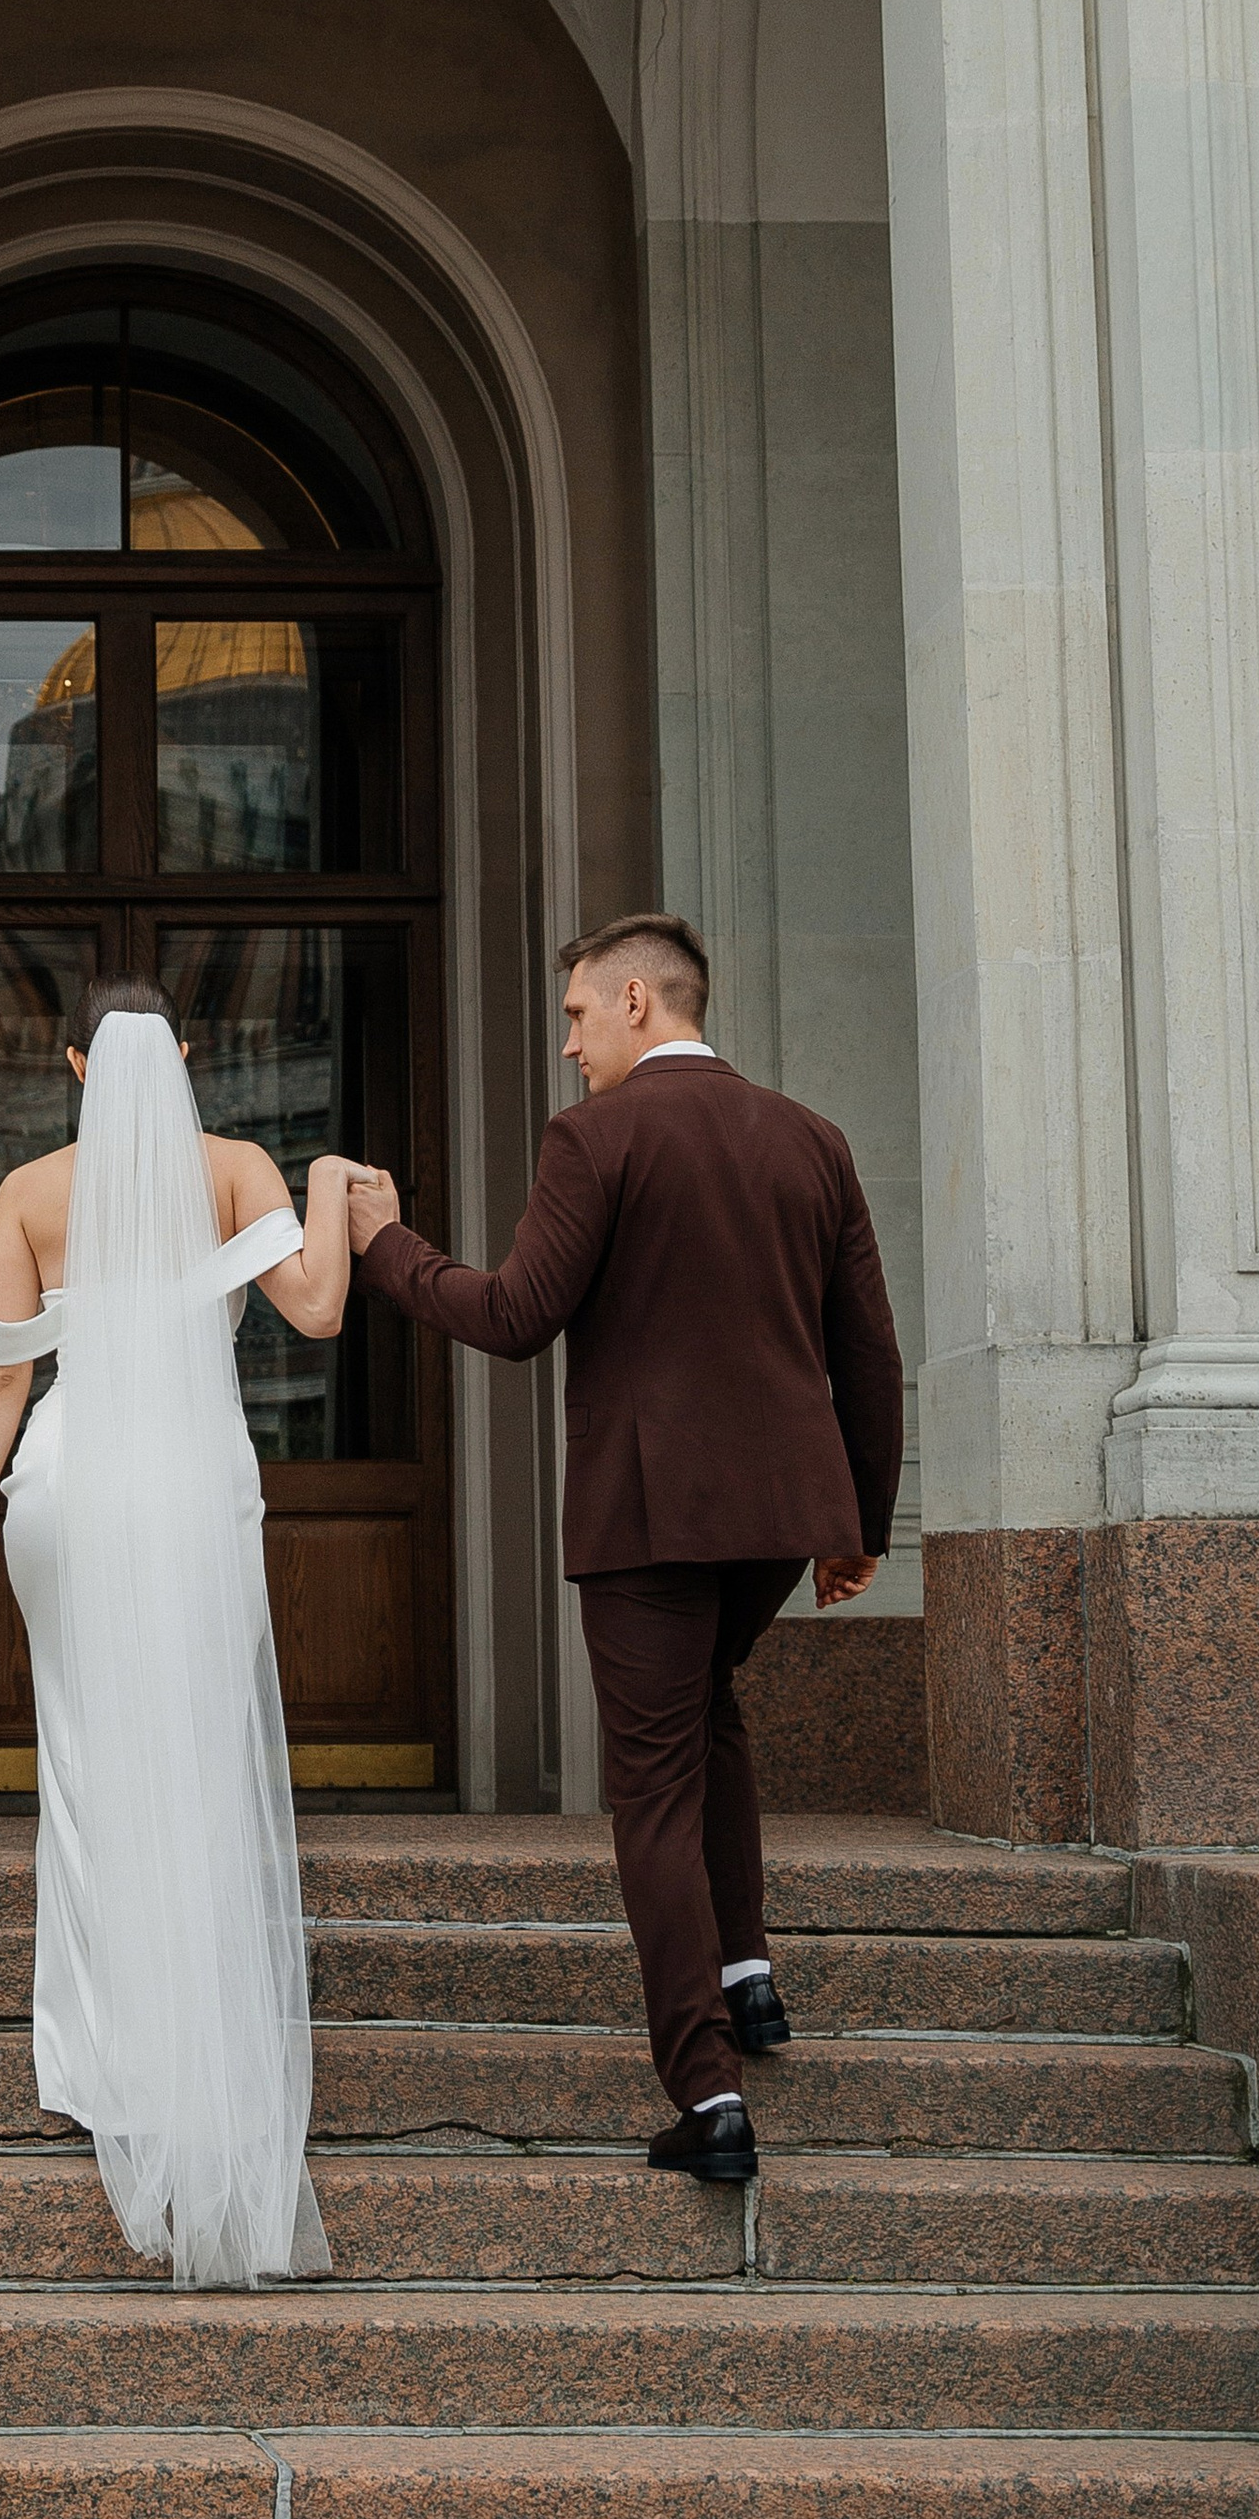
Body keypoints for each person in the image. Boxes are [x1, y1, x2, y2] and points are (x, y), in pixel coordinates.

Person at [345, 910, 903, 2184]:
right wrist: (858, 1519)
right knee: (707, 1714)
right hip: (778, 1513)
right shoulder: (813, 1139)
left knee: (650, 1786)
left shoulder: (596, 1137)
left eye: (580, 1017)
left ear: (642, 1002)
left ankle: (706, 2092)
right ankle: (748, 1975)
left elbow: (514, 1314)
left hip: (650, 1519)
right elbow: (867, 1348)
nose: (567, 1044)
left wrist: (388, 1247)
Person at [0, 975, 359, 2287]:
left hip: (68, 1482)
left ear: (72, 1065)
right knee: (197, 1760)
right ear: (183, 1054)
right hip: (188, 1479)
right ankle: (201, 2052)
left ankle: (102, 2061)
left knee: (89, 1765)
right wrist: (331, 1180)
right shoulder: (234, 1165)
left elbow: (3, 1376)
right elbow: (321, 1310)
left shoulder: (29, 1193)